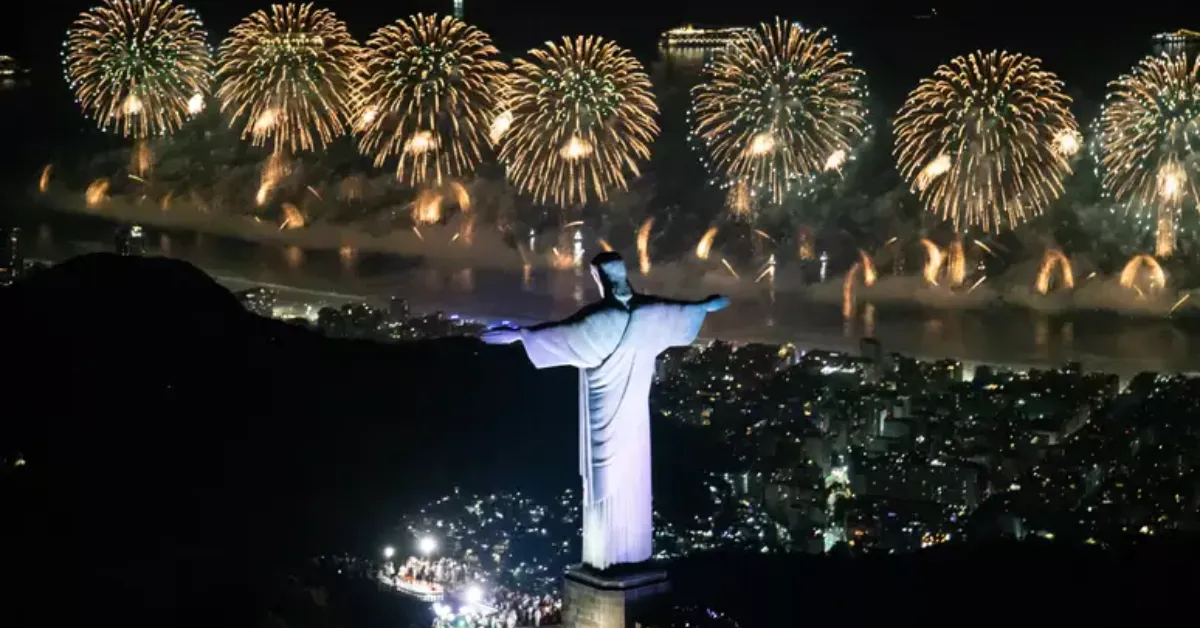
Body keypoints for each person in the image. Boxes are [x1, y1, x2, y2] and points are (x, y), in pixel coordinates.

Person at [483, 252, 728, 569]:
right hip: (636, 417)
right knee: (630, 475)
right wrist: (705, 307)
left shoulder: (601, 320)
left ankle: (608, 560)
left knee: (605, 479)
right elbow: (682, 312)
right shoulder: (650, 312)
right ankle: (629, 555)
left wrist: (518, 334)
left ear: (598, 279)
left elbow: (560, 336)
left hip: (605, 413)